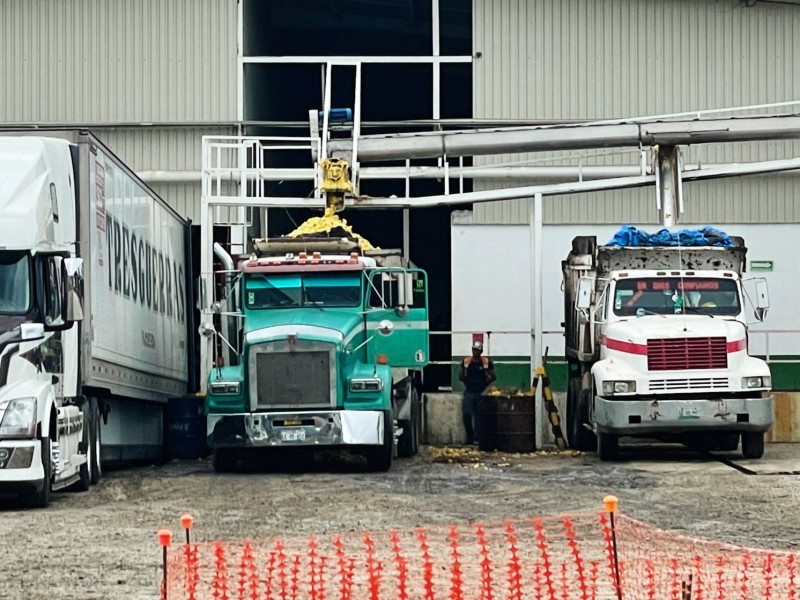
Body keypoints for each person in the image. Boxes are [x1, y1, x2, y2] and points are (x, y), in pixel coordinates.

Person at [458, 341, 496, 445]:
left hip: (481, 392)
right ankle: (469, 436)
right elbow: (461, 377)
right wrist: (464, 375)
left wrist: (486, 384)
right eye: (474, 350)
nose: (475, 352)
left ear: (481, 351)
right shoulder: (466, 362)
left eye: (477, 350)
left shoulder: (486, 362)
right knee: (466, 414)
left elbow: (493, 376)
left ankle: (477, 438)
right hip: (469, 391)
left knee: (479, 416)